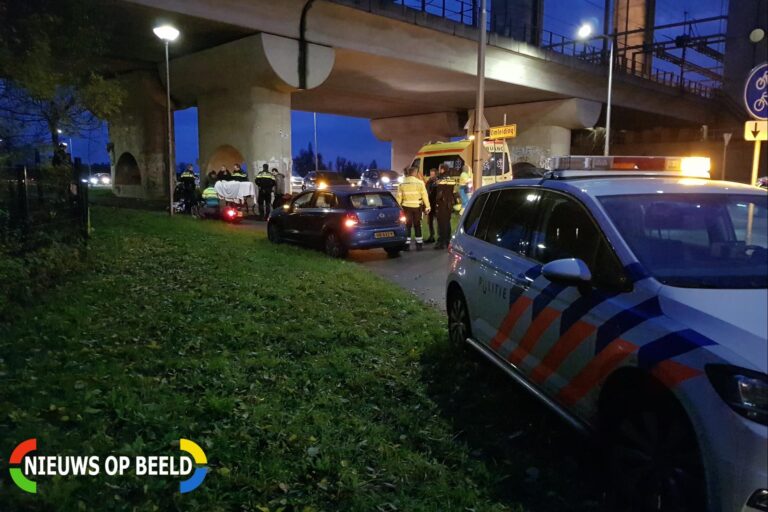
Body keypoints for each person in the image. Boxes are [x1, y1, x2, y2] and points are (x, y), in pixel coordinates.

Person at [395, 166, 430, 251]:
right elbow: (425, 196)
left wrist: (397, 207)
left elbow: (399, 197)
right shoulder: (420, 183)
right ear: (414, 173)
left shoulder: (402, 183)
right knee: (417, 225)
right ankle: (419, 245)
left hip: (406, 208)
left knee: (407, 226)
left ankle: (406, 246)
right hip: (417, 208)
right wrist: (428, 206)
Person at [434, 164, 455, 250]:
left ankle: (441, 242)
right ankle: (447, 241)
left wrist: (436, 202)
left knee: (441, 224)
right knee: (447, 222)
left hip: (442, 204)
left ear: (442, 169)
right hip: (449, 204)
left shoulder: (441, 179)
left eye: (439, 169)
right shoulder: (451, 178)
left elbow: (439, 192)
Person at [424, 168, 439, 244]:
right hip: (429, 204)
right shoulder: (428, 182)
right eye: (431, 174)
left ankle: (439, 237)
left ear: (436, 174)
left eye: (433, 174)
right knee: (429, 221)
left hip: (436, 204)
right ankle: (431, 236)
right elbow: (426, 192)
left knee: (438, 221)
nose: (431, 175)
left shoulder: (438, 182)